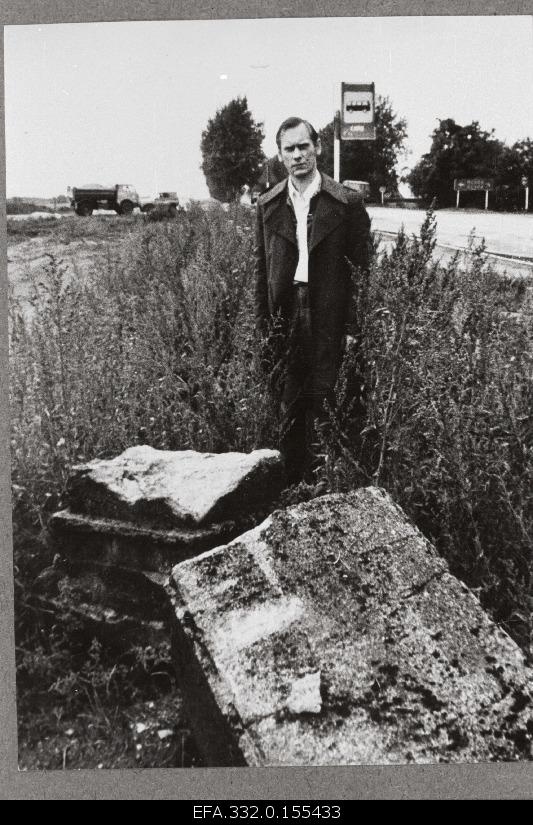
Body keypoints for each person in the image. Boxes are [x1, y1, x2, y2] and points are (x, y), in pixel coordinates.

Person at [254, 116, 371, 485]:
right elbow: (261, 272)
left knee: (330, 397)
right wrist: (264, 329)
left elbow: (362, 272)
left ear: (317, 147)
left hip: (328, 311)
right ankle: (292, 485)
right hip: (286, 312)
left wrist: (353, 326)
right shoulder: (268, 205)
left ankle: (332, 483)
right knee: (289, 400)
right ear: (280, 156)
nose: (298, 155)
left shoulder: (347, 203)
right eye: (289, 149)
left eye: (304, 146)